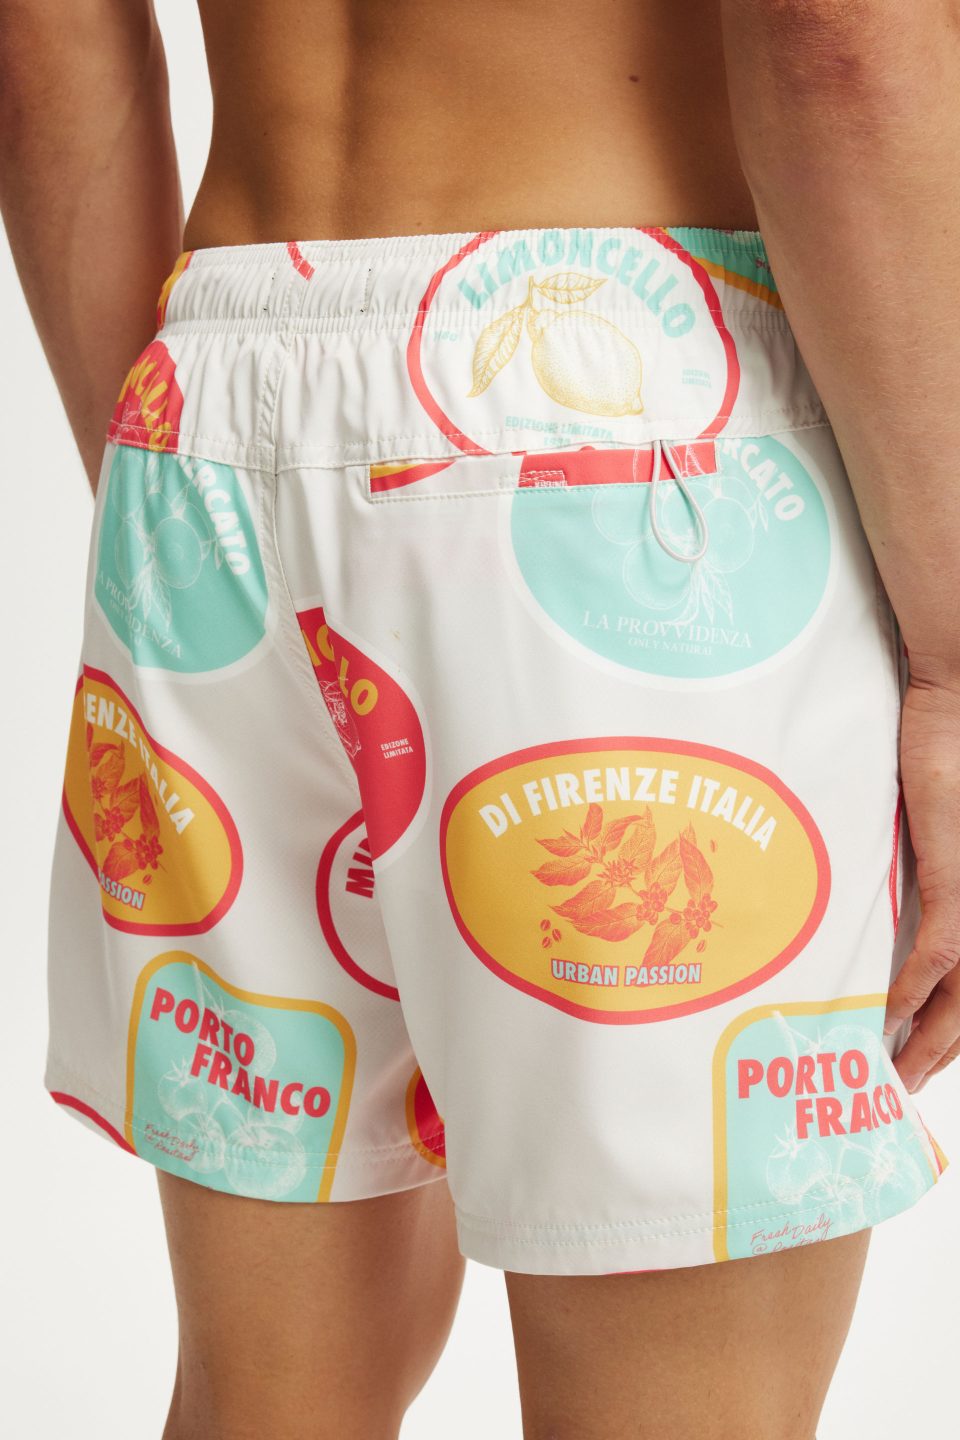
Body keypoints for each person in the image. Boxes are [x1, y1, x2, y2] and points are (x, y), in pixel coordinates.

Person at [2, 1, 958, 1436]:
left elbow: (45, 36)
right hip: (627, 434)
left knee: (271, 1405)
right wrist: (955, 660)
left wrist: (185, 523)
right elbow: (836, 37)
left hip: (212, 390)